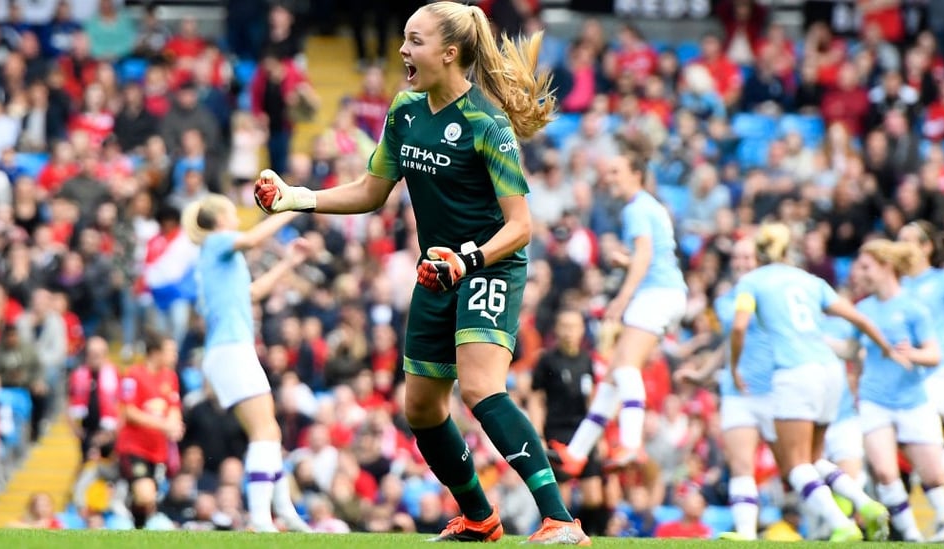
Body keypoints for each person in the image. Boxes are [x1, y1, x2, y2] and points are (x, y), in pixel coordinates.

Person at [254, 2, 589, 543]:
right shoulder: (405, 110)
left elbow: (521, 226)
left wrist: (469, 259)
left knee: (481, 389)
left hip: (488, 266)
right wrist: (299, 198)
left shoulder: (486, 121)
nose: (403, 50)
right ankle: (480, 517)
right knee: (422, 407)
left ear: (450, 53)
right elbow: (370, 191)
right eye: (405, 40)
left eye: (415, 40)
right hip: (438, 271)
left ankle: (560, 520)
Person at [731, 223, 897, 542]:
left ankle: (841, 524)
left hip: (794, 372)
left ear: (760, 253)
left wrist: (735, 365)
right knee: (814, 459)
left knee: (794, 465)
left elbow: (739, 327)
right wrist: (887, 348)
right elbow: (859, 318)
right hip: (829, 370)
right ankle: (866, 504)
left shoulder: (751, 281)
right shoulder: (809, 280)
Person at [548, 148, 687, 476]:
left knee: (626, 367)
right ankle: (578, 452)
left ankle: (631, 443)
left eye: (615, 171)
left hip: (656, 294)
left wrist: (622, 298)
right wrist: (626, 262)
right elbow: (655, 256)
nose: (609, 178)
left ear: (635, 174)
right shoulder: (649, 206)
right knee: (613, 377)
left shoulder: (636, 209)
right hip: (666, 290)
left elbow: (644, 256)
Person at [181, 193, 311, 533]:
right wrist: (293, 206)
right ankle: (260, 517)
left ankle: (284, 512)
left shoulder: (216, 255)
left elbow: (251, 293)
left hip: (228, 351)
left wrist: (289, 264)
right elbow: (253, 239)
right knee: (264, 431)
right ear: (221, 217)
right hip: (231, 349)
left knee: (270, 429)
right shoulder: (217, 242)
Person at [845, 240, 944, 542]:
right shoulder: (862, 310)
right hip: (874, 399)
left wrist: (911, 354)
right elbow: (852, 350)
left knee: (933, 476)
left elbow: (934, 355)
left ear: (885, 266)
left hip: (911, 399)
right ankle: (911, 535)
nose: (860, 273)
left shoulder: (913, 308)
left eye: (866, 267)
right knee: (885, 472)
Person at [674, 238, 771, 540]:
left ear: (760, 261)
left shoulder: (770, 293)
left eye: (748, 257)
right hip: (736, 389)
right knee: (740, 463)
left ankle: (846, 518)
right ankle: (746, 534)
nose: (741, 263)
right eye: (738, 257)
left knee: (798, 464)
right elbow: (730, 342)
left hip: (773, 388)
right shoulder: (727, 300)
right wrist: (703, 373)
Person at [528, 309, 608, 536]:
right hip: (557, 431)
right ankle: (557, 531)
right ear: (557, 329)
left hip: (584, 432)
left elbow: (592, 398)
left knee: (594, 496)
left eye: (574, 326)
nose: (569, 332)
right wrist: (538, 433)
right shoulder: (547, 360)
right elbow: (536, 398)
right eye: (564, 326)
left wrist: (599, 436)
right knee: (562, 495)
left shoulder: (586, 360)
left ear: (582, 330)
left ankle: (584, 533)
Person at [114, 331, 183, 528]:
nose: (174, 355)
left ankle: (137, 529)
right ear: (155, 352)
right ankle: (123, 499)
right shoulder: (133, 375)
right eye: (170, 351)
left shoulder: (170, 377)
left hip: (158, 449)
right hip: (133, 447)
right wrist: (164, 425)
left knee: (148, 499)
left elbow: (174, 408)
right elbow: (128, 412)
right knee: (145, 493)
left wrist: (175, 426)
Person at [897, 220, 944, 469]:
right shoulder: (897, 288)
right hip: (911, 375)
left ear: (926, 247)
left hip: (943, 368)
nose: (901, 247)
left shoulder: (941, 280)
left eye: (907, 241)